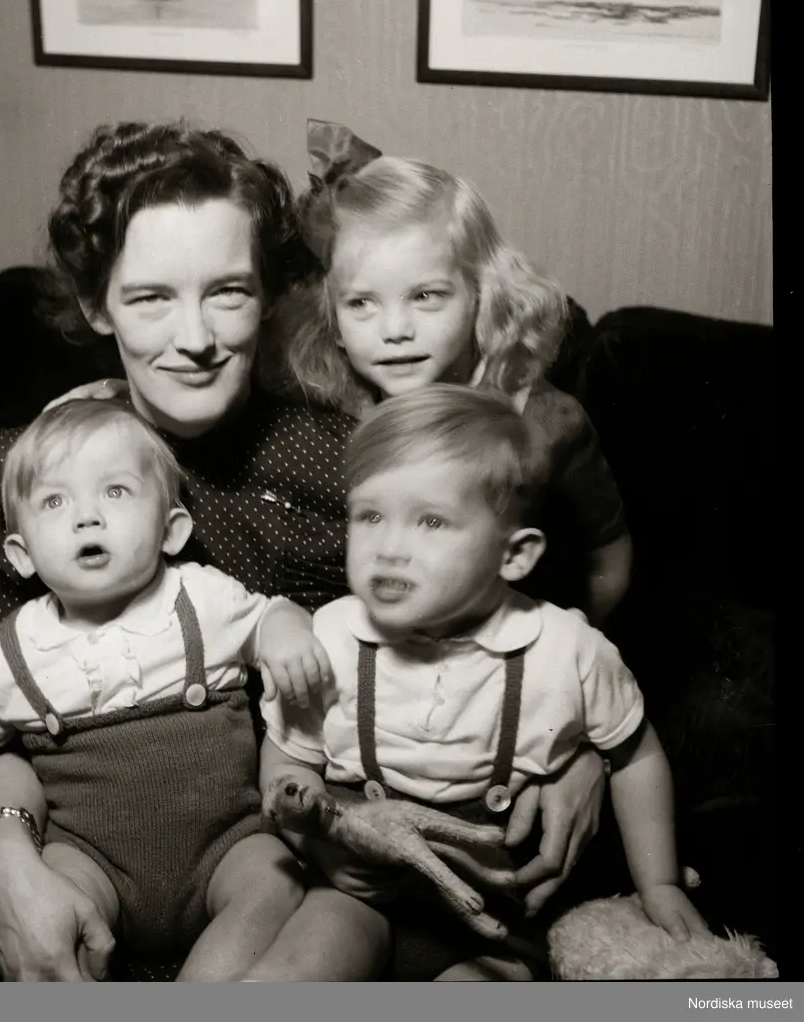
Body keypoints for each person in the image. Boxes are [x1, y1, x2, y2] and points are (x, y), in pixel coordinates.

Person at [0, 120, 608, 982]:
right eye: (150, 299)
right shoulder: (30, 471)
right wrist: (4, 862)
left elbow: (518, 618)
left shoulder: (346, 454)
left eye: (228, 291)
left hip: (288, 871)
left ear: (270, 296)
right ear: (98, 306)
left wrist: (584, 751)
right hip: (78, 847)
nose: (194, 337)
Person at [258, 385, 708, 981]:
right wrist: (316, 844)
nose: (388, 548)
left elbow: (636, 757)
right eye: (370, 515)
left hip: (498, 915)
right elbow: (289, 759)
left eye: (431, 521)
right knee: (291, 971)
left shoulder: (567, 650)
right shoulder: (330, 636)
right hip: (360, 890)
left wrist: (660, 882)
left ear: (514, 555)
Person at [0, 398, 333, 980]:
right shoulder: (8, 651)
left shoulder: (201, 598)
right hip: (90, 860)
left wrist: (286, 631)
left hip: (226, 844)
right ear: (21, 554)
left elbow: (270, 614)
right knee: (52, 918)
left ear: (171, 530)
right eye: (55, 501)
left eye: (116, 491)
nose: (87, 517)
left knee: (274, 883)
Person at [270, 120, 632, 624]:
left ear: (483, 296)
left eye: (425, 296)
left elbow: (608, 556)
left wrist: (566, 643)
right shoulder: (339, 416)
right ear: (332, 321)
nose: (395, 330)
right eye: (362, 304)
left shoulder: (546, 422)